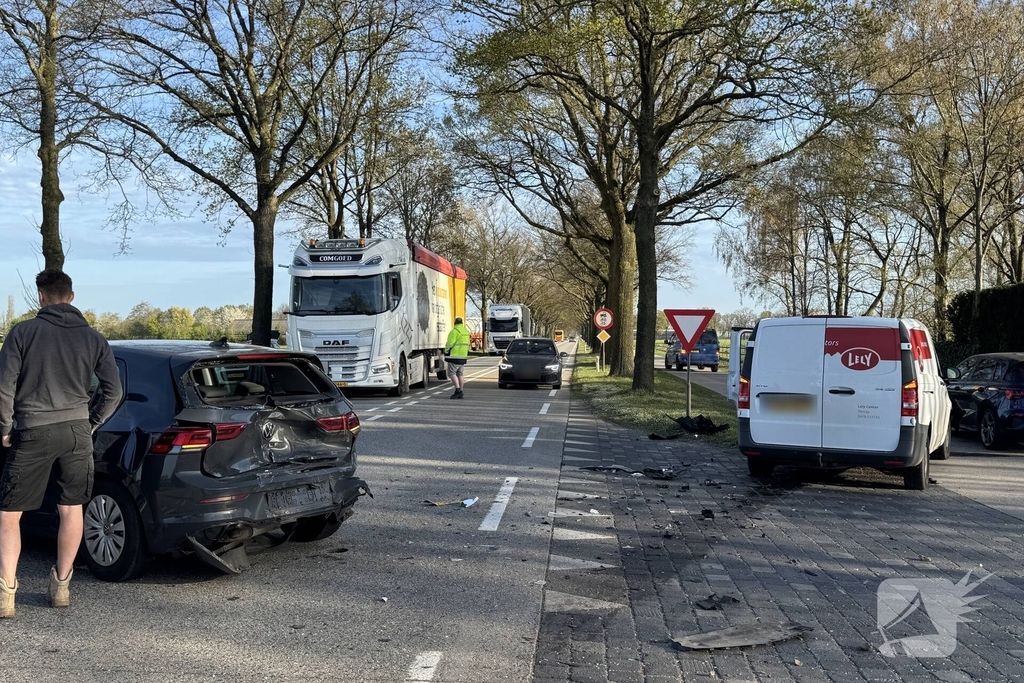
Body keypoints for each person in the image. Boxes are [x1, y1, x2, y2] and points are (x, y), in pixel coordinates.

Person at [0, 269, 121, 617]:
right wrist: (92, 422)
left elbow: (4, 385)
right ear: (71, 296)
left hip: (33, 429)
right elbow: (114, 392)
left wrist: (5, 426)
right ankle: (61, 587)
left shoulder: (23, 333)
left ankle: (7, 594)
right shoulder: (95, 339)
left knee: (9, 513)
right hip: (76, 432)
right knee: (72, 509)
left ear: (40, 296)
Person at [444, 316, 471, 399]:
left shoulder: (454, 331)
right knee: (460, 374)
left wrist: (446, 351)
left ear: (455, 323)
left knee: (452, 373)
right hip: (463, 356)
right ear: (462, 323)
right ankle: (461, 391)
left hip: (454, 356)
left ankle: (458, 390)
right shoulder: (466, 331)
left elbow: (450, 343)